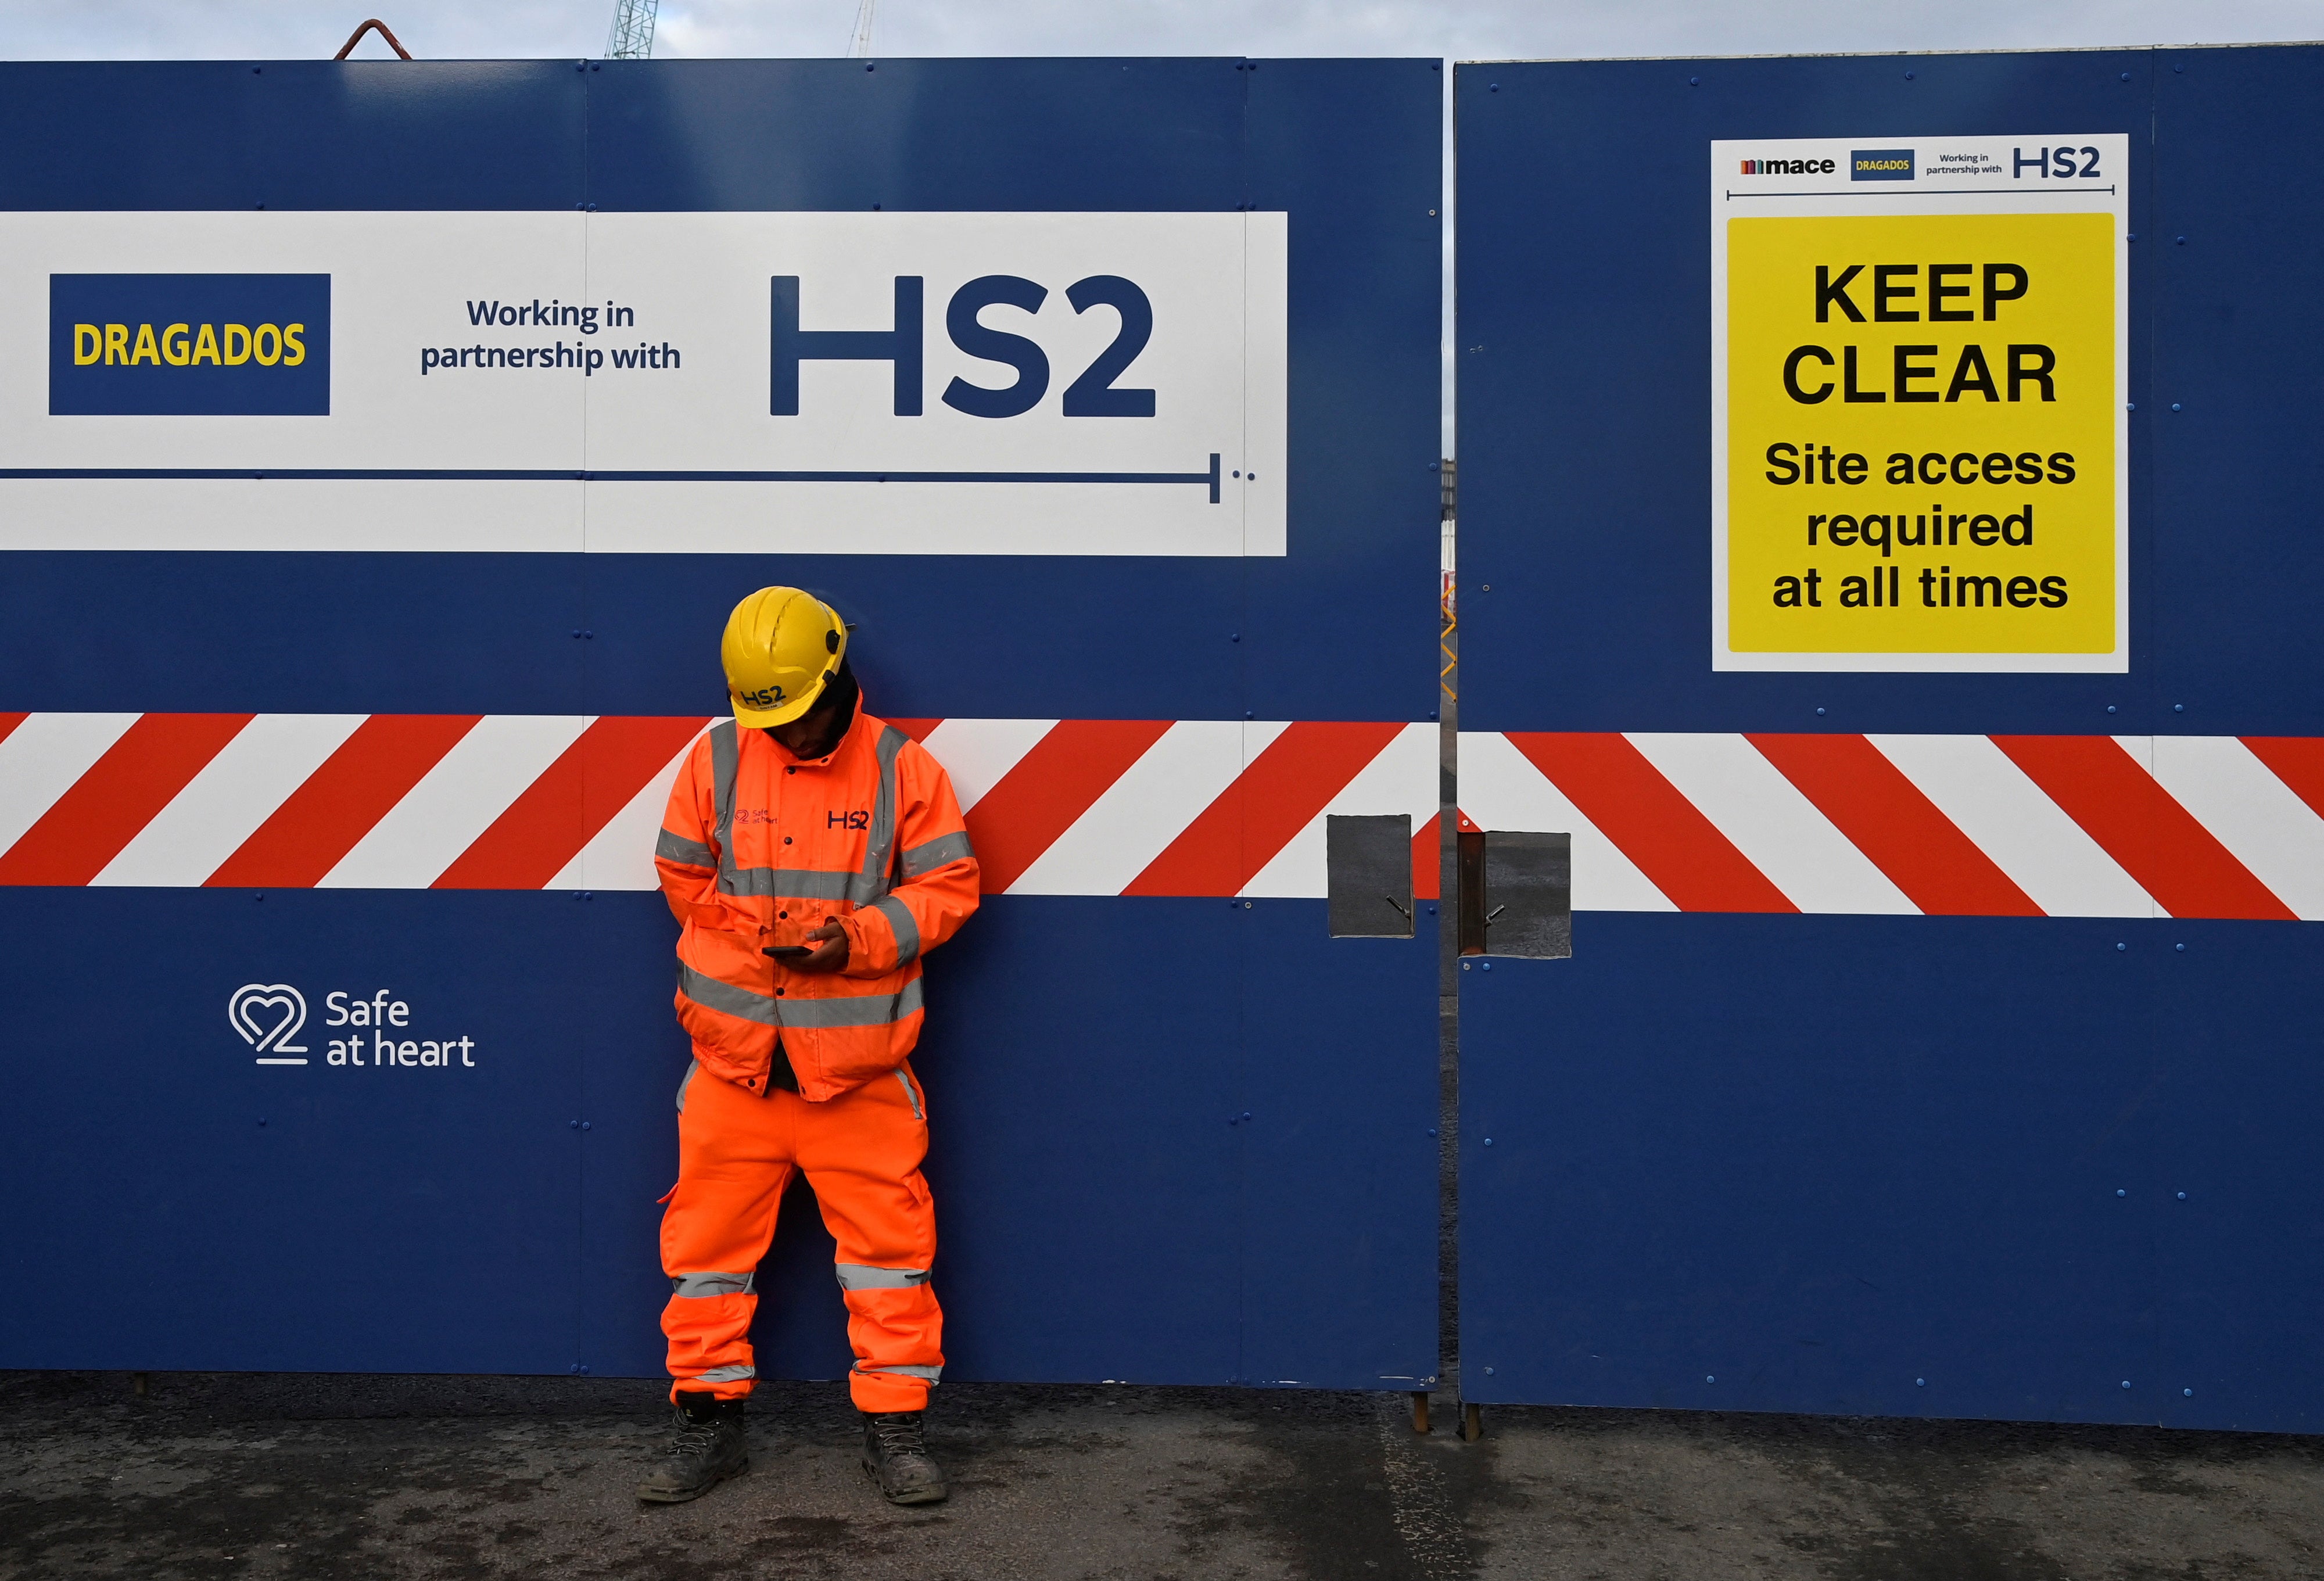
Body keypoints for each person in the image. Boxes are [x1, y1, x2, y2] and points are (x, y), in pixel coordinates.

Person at [636, 586, 980, 1507]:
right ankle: (708, 1427)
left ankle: (897, 1431)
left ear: (839, 675)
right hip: (731, 1075)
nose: (785, 734)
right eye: (769, 718)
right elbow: (680, 870)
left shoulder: (907, 771)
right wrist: (752, 930)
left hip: (859, 1079)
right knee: (703, 1256)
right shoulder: (714, 756)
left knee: (889, 1260)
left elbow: (950, 887)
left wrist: (854, 940)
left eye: (798, 713)